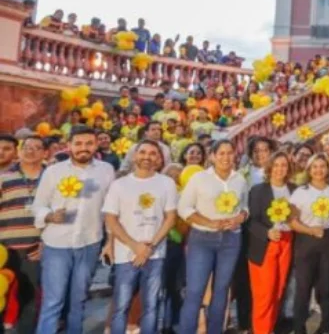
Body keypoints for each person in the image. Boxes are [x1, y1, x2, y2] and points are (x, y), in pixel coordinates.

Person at [31, 126, 116, 334]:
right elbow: (38, 205)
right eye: (78, 143)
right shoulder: (53, 172)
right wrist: (50, 216)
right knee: (53, 301)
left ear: (96, 145)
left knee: (78, 301)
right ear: (69, 146)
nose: (83, 148)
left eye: (88, 143)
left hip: (89, 243)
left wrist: (110, 241)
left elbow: (110, 209)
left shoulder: (106, 170)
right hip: (56, 244)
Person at [102, 140, 178, 334]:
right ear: (134, 156)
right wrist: (135, 246)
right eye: (142, 152)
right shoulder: (119, 185)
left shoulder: (166, 183)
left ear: (159, 159)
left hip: (155, 254)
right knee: (121, 306)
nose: (147, 156)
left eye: (152, 153)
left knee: (151, 306)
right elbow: (111, 218)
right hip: (125, 254)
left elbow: (170, 218)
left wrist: (149, 246)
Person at [177, 140, 249, 334]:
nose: (226, 158)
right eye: (221, 153)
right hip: (203, 238)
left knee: (221, 291)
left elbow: (245, 207)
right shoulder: (199, 179)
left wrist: (240, 218)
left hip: (231, 240)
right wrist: (208, 222)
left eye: (229, 153)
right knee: (195, 291)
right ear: (212, 156)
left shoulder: (240, 180)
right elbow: (183, 208)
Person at [289, 155, 329, 334]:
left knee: (326, 287)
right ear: (309, 170)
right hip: (306, 240)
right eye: (315, 167)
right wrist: (310, 230)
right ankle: (299, 329)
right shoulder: (300, 192)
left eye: (322, 166)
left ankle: (326, 327)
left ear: (328, 169)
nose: (319, 170)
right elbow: (292, 221)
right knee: (303, 288)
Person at [247, 152, 297, 334]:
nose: (279, 169)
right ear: (269, 168)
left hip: (287, 242)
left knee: (278, 291)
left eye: (283, 165)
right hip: (264, 245)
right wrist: (267, 232)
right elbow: (251, 221)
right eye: (276, 165)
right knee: (264, 294)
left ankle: (269, 328)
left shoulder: (295, 189)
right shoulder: (258, 190)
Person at [0, 136, 45, 334]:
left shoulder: (51, 179)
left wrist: (46, 244)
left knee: (29, 299)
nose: (31, 151)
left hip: (35, 249)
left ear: (45, 153)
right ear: (20, 151)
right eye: (27, 147)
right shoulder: (4, 178)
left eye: (37, 148)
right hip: (4, 250)